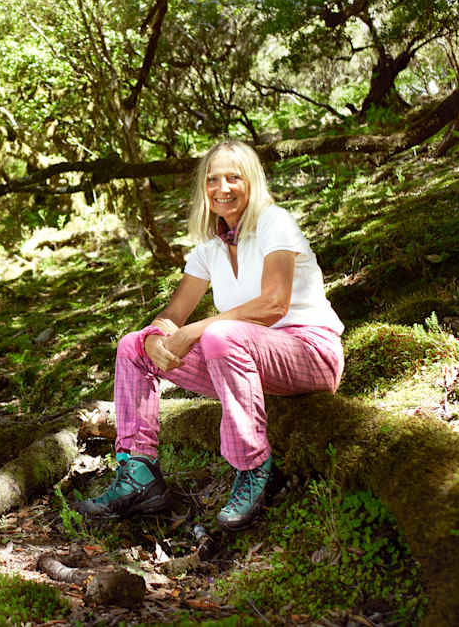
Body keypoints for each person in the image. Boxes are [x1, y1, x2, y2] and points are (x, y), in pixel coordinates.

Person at [74, 140, 344, 530]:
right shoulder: (209, 247)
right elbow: (174, 312)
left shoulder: (274, 222)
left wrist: (201, 327)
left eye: (234, 177)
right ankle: (139, 475)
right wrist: (156, 335)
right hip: (246, 362)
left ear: (252, 181)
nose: (223, 188)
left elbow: (274, 304)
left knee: (222, 337)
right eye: (213, 179)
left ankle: (253, 467)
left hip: (309, 353)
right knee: (132, 346)